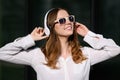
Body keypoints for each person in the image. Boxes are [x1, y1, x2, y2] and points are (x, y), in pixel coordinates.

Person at [0, 8, 120, 80]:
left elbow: (115, 49)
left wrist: (88, 34)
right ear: (50, 27)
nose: (68, 23)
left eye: (70, 19)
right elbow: (3, 53)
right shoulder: (37, 56)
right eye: (62, 20)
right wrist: (30, 38)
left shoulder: (85, 54)